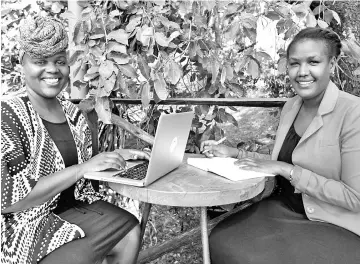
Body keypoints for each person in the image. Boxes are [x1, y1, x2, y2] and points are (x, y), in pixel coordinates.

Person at [201, 27, 360, 263]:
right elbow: (283, 159)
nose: (302, 72)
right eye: (294, 63)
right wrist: (232, 152)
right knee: (221, 238)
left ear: (332, 65)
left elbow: (354, 198)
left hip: (334, 222)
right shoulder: (291, 107)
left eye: (313, 62)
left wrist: (288, 172)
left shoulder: (352, 112)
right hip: (283, 207)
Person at [1, 16, 150, 264]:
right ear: (22, 65)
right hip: (24, 227)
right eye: (40, 61)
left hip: (72, 208)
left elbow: (76, 165)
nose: (52, 70)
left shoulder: (71, 113)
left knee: (130, 231)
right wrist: (82, 169)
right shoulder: (7, 115)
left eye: (60, 61)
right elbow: (8, 200)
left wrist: (113, 156)